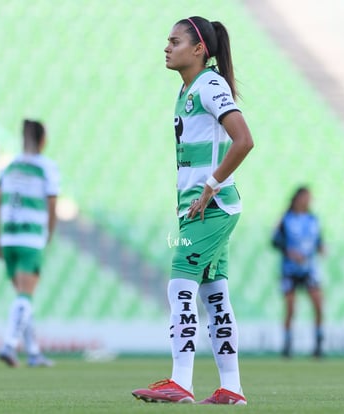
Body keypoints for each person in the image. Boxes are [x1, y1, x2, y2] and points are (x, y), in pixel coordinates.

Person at [132, 16, 254, 405]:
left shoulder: (209, 85)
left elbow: (244, 140)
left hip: (212, 206)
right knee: (215, 295)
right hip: (200, 208)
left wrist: (210, 187)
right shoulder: (189, 89)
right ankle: (231, 389)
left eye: (175, 41)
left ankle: (180, 381)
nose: (167, 47)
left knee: (179, 284)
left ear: (199, 49)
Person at [0, 119, 60, 367]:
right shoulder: (47, 168)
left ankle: (33, 352)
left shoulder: (9, 166)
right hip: (30, 238)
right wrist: (49, 234)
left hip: (8, 236)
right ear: (42, 140)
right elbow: (52, 204)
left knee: (23, 297)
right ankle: (9, 345)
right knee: (25, 296)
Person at [271, 186, 325, 358]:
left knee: (318, 304)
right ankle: (287, 345)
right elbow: (275, 241)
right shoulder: (285, 219)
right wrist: (290, 252)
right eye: (306, 197)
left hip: (309, 269)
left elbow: (318, 240)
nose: (308, 200)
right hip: (290, 270)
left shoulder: (313, 219)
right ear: (297, 199)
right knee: (291, 308)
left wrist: (321, 247)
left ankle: (318, 345)